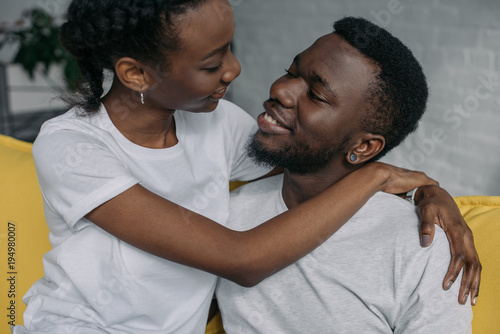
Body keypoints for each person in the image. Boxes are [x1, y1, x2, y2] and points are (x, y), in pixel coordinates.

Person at [12, 1, 479, 333]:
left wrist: (425, 192)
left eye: (230, 49)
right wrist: (379, 175)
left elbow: (306, 161)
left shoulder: (219, 126)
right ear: (136, 74)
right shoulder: (72, 145)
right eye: (213, 63)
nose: (236, 71)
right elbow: (242, 259)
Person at [215, 17, 475, 333]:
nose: (280, 90)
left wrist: (425, 191)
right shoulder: (224, 211)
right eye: (290, 72)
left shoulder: (419, 245)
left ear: (363, 147)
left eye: (316, 95)